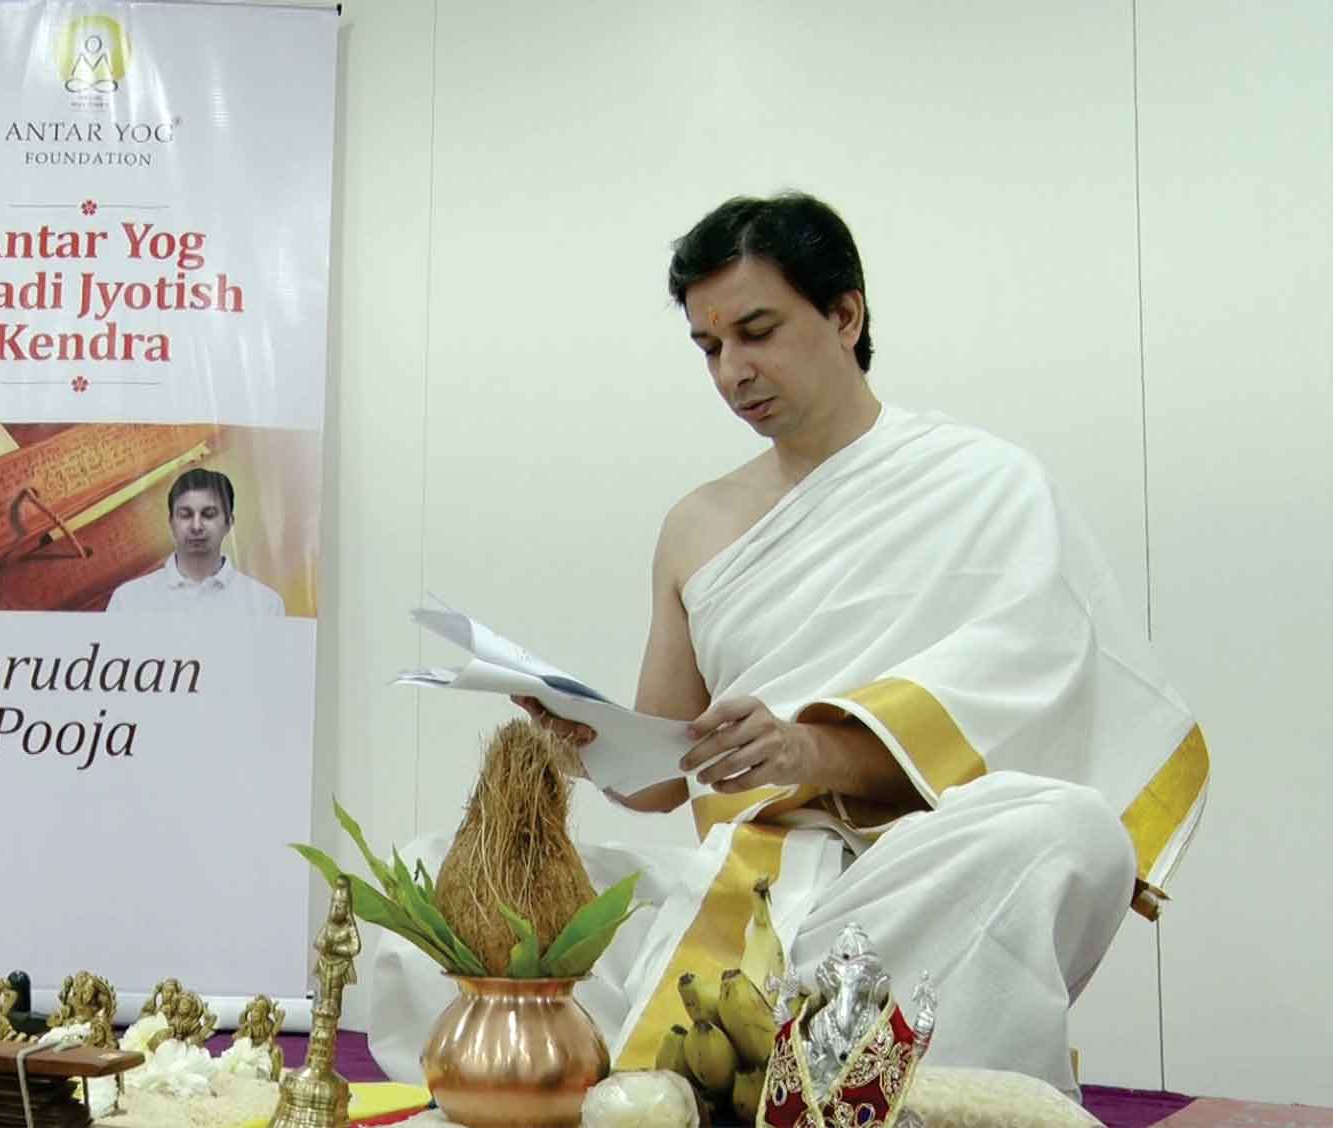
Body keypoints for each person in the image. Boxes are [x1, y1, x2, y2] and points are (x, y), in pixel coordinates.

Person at [367, 193, 1208, 1098]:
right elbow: (660, 775)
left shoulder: (983, 483)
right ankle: (731, 1073)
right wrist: (579, 736)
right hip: (725, 890)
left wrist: (808, 747)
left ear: (845, 314)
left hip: (897, 884)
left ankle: (749, 1077)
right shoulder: (697, 523)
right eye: (709, 348)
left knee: (1063, 830)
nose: (734, 371)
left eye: (757, 332)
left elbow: (1028, 694)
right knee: (425, 875)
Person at [106, 468, 286, 614]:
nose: (196, 526)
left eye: (209, 514)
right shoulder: (128, 601)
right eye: (185, 515)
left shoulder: (266, 605)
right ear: (171, 522)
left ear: (229, 522)